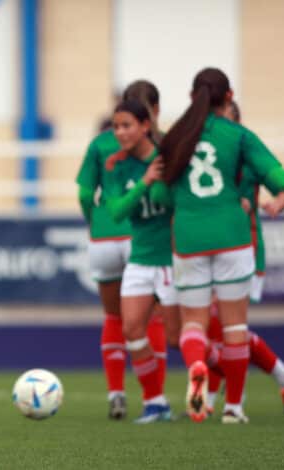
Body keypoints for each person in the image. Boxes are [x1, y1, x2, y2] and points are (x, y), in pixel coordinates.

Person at [157, 67, 284, 423]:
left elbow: (162, 194)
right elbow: (278, 178)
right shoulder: (239, 136)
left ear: (192, 96)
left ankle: (198, 366)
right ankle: (233, 409)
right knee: (233, 328)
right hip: (232, 237)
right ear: (229, 97)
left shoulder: (175, 138)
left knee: (193, 324)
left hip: (189, 240)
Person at [203, 100, 284, 416]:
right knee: (220, 327)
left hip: (243, 247)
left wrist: (278, 203)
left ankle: (229, 399)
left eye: (227, 120)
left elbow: (283, 185)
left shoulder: (246, 151)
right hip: (209, 247)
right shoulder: (205, 152)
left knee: (228, 326)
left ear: (238, 123)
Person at [76, 80, 165, 419]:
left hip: (103, 236)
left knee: (114, 317)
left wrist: (93, 222)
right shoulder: (156, 145)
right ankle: (153, 396)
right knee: (150, 318)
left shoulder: (100, 144)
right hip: (141, 237)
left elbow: (85, 195)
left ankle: (116, 392)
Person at [104, 100, 176, 423]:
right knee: (132, 329)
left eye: (126, 125)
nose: (120, 132)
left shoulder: (170, 157)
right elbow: (117, 211)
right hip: (141, 258)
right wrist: (146, 181)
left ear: (145, 126)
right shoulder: (117, 165)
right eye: (116, 126)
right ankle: (155, 402)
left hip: (173, 260)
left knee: (177, 338)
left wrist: (159, 178)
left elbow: (174, 203)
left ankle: (233, 371)